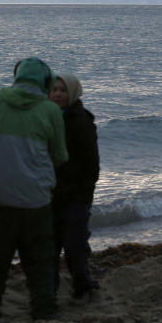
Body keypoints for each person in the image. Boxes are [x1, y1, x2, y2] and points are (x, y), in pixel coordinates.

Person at [0, 57, 68, 323]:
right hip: (35, 198)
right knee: (39, 261)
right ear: (44, 82)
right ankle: (44, 312)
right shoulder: (50, 110)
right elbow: (60, 155)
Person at [49, 73, 101, 299]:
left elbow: (91, 164)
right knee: (48, 249)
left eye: (63, 90)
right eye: (54, 90)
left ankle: (83, 286)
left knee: (75, 246)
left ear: (73, 93)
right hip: (50, 194)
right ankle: (49, 292)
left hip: (75, 196)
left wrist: (84, 196)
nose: (58, 94)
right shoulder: (46, 118)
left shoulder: (81, 121)